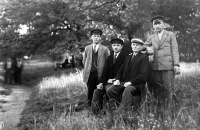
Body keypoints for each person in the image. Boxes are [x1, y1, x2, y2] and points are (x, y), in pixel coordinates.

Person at [143, 15, 181, 115]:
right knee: (157, 89)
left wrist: (176, 64)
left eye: (159, 23)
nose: (157, 26)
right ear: (153, 27)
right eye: (155, 24)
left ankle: (168, 111)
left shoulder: (170, 35)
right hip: (155, 67)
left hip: (168, 66)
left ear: (163, 25)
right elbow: (143, 46)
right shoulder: (151, 37)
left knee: (168, 88)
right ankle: (159, 110)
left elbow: (174, 50)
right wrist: (146, 49)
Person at [106, 38, 149, 112]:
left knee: (128, 89)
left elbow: (143, 75)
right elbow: (121, 70)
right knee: (110, 90)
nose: (135, 47)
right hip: (125, 82)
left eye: (137, 45)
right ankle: (116, 107)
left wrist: (131, 82)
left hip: (137, 84)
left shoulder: (144, 57)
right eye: (133, 45)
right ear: (131, 46)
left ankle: (122, 111)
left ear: (141, 47)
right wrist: (118, 80)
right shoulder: (128, 56)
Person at [91, 38, 128, 114]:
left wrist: (115, 79)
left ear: (121, 47)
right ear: (112, 46)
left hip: (119, 81)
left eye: (118, 45)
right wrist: (101, 83)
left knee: (109, 89)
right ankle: (96, 113)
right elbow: (105, 71)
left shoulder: (126, 57)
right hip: (109, 81)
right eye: (114, 45)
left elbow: (124, 71)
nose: (116, 47)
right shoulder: (110, 57)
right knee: (97, 91)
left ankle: (113, 112)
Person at [82, 29, 110, 107]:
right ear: (91, 37)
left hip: (100, 75)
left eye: (98, 36)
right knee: (90, 91)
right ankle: (89, 108)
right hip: (90, 74)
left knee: (99, 91)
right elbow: (84, 61)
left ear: (100, 38)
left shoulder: (105, 49)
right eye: (94, 36)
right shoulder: (87, 48)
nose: (96, 38)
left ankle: (99, 108)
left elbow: (108, 62)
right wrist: (88, 69)